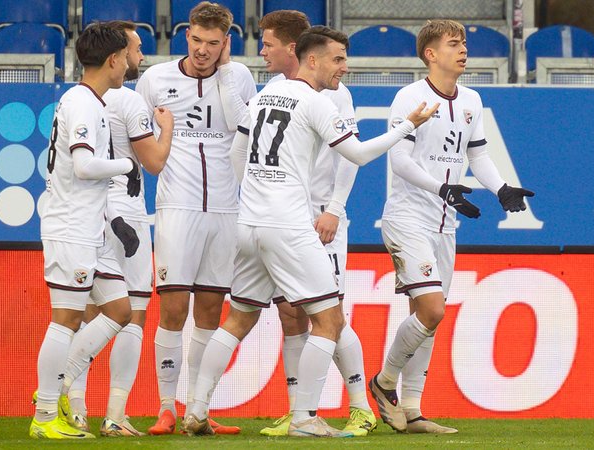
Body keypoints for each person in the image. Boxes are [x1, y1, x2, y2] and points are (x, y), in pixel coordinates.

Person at [183, 25, 438, 438]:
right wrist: (406, 126)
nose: (345, 68)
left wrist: (254, 194)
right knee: (329, 320)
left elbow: (237, 152)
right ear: (312, 59)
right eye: (338, 59)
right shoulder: (316, 101)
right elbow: (356, 153)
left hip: (249, 224)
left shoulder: (266, 94)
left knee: (238, 320)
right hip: (288, 225)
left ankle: (195, 409)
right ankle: (304, 417)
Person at [369, 19, 535, 434]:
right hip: (407, 217)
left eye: (464, 44)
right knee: (432, 309)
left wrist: (501, 189)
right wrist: (441, 186)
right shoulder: (410, 96)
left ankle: (411, 410)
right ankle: (384, 381)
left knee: (426, 318)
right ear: (430, 53)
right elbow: (399, 160)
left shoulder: (472, 100)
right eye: (454, 44)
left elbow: (477, 156)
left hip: (445, 224)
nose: (463, 50)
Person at [248, 11, 375, 437]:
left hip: (320, 216)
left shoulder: (334, 94)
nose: (262, 51)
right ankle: (299, 410)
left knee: (330, 313)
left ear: (293, 48)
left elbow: (350, 157)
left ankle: (360, 407)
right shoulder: (275, 90)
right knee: (291, 314)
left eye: (267, 44)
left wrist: (334, 208)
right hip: (288, 218)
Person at [134, 1, 256, 435]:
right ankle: (166, 406)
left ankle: (198, 409)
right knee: (172, 308)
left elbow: (250, 132)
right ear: (186, 36)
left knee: (210, 311)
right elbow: (135, 136)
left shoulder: (239, 77)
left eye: (213, 43)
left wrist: (225, 73)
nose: (203, 50)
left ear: (226, 43)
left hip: (226, 208)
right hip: (177, 207)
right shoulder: (155, 79)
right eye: (197, 41)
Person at [61, 20, 174, 438]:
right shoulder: (126, 100)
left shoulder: (78, 100)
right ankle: (113, 412)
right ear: (117, 55)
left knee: (89, 313)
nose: (139, 56)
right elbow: (155, 162)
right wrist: (168, 129)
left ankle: (75, 410)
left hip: (89, 212)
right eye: (135, 49)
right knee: (132, 315)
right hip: (125, 212)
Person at [30, 22, 142, 440]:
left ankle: (53, 387)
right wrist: (126, 166)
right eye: (127, 57)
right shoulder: (83, 103)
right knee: (66, 320)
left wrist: (113, 218)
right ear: (113, 59)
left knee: (119, 311)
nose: (130, 64)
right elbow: (83, 165)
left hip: (90, 229)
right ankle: (44, 416)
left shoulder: (90, 101)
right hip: (70, 227)